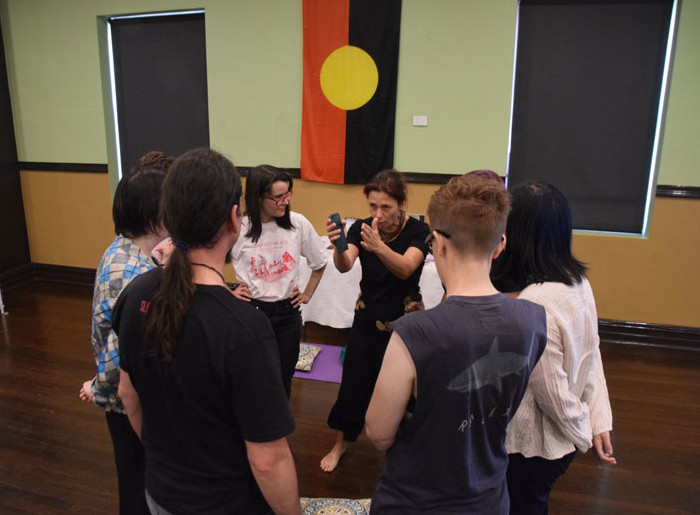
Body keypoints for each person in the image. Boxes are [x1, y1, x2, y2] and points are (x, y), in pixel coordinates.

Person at [113, 148, 301, 514]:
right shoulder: (245, 329)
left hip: (160, 493)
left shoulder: (135, 294)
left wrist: (169, 463)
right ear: (234, 218)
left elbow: (127, 395)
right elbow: (268, 460)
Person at [365, 174, 548, 513]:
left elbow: (378, 433)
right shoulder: (534, 319)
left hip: (414, 500)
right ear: (500, 244)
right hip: (490, 497)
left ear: (438, 243)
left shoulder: (414, 332)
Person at [490, 182, 616, 514]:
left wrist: (582, 430)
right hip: (559, 440)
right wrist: (597, 417)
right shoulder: (577, 280)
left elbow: (550, 390)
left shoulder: (536, 300)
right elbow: (593, 352)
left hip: (537, 445)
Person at [78, 151, 172, 515]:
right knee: (140, 491)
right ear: (153, 216)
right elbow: (119, 361)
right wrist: (99, 387)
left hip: (130, 398)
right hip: (130, 405)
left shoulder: (127, 249)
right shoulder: (131, 275)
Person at [321, 169, 430, 473]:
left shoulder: (419, 231)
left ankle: (405, 448)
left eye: (386, 207)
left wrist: (379, 246)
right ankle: (341, 443)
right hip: (368, 315)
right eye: (372, 206)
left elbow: (406, 268)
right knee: (354, 382)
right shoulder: (362, 228)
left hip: (405, 320)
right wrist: (339, 246)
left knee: (407, 388)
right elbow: (345, 265)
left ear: (400, 204)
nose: (378, 214)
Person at [231, 165, 327, 398]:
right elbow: (206, 261)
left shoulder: (297, 223)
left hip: (287, 314)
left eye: (288, 194)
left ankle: (279, 420)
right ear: (258, 197)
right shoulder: (239, 227)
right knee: (252, 377)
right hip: (252, 312)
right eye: (278, 197)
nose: (285, 201)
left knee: (283, 377)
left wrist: (307, 293)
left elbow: (320, 262)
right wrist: (228, 291)